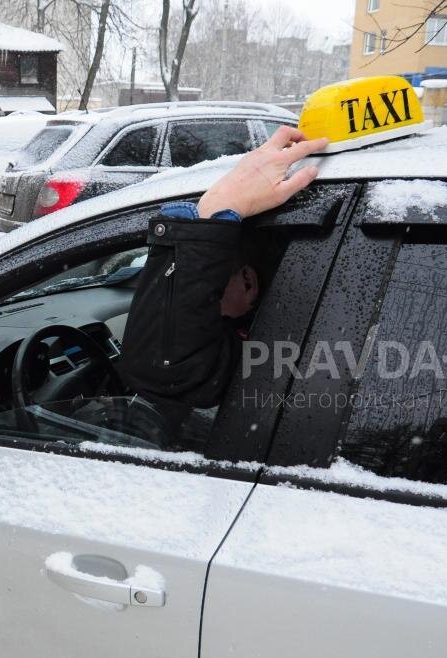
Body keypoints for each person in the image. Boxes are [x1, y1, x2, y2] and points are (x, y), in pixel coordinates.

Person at [117, 126, 328, 446]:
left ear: (248, 282)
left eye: (212, 285)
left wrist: (215, 211)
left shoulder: (262, 353)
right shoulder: (300, 325)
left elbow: (164, 369)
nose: (206, 299)